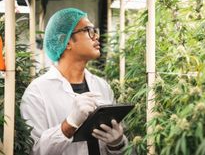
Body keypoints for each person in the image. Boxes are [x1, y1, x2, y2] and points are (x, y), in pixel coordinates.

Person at [20, 8, 127, 155]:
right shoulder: (37, 92)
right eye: (88, 30)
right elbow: (34, 150)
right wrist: (69, 125)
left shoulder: (102, 86)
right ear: (66, 41)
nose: (96, 36)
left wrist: (116, 143)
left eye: (95, 30)